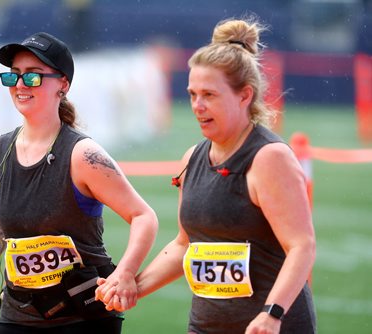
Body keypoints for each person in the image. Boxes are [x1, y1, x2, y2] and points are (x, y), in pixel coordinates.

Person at [96, 18, 317, 334]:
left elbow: (302, 246)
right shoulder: (193, 158)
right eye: (192, 94)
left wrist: (272, 314)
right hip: (205, 326)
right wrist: (131, 287)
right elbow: (185, 245)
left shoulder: (269, 158)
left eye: (209, 95)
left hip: (270, 326)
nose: (197, 106)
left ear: (244, 96)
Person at [0, 32, 158, 334]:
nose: (19, 85)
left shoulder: (83, 155)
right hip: (18, 316)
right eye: (13, 76)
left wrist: (125, 273)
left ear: (63, 84)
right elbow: (0, 217)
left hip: (83, 319)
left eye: (33, 77)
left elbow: (143, 216)